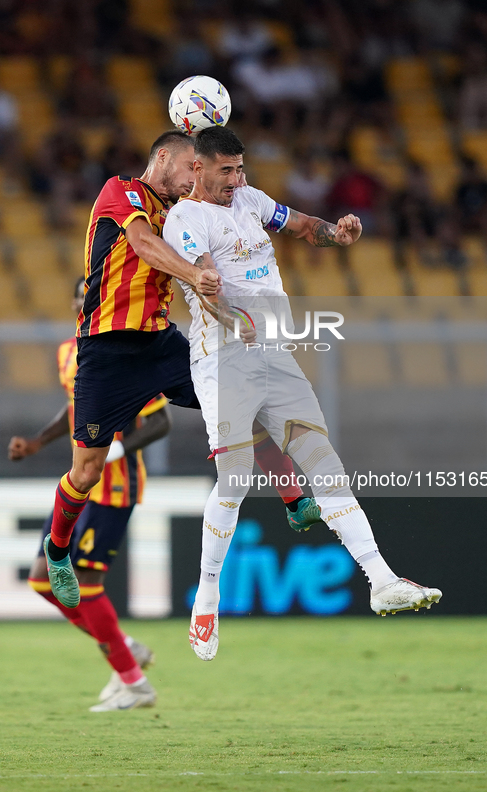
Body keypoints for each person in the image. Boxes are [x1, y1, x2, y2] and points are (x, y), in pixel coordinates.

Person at [163, 127, 442, 661]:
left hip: (275, 352)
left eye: (240, 169)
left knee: (322, 460)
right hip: (223, 359)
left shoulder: (248, 199)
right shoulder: (185, 220)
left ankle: (381, 581)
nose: (237, 180)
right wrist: (232, 318)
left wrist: (336, 232)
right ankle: (208, 595)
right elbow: (202, 281)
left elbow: (301, 225)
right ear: (196, 169)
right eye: (226, 171)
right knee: (235, 477)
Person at [41, 130, 317, 633]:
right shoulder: (121, 191)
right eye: (192, 166)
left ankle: (294, 496)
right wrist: (194, 273)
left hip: (160, 342)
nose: (196, 177)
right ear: (163, 157)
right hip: (106, 350)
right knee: (85, 472)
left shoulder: (187, 210)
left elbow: (232, 242)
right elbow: (143, 244)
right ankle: (58, 551)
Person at [9, 277, 170, 711]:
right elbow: (76, 405)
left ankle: (134, 683)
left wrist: (114, 450)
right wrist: (40, 441)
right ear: (77, 302)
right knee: (44, 579)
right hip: (78, 483)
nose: (89, 301)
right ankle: (125, 649)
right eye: (84, 296)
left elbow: (160, 424)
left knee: (87, 583)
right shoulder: (69, 352)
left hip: (115, 487)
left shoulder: (129, 351)